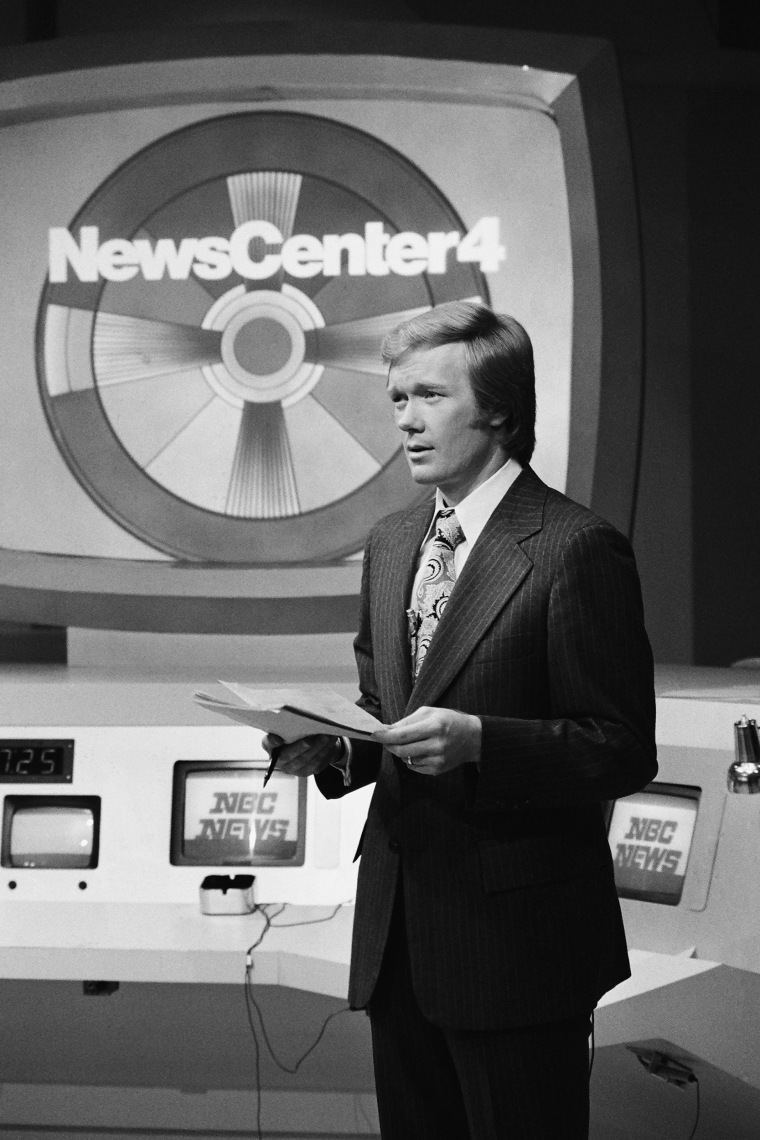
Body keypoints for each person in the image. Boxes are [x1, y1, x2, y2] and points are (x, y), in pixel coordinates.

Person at [265, 301, 657, 1139]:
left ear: (500, 410)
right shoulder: (396, 538)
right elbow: (388, 711)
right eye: (397, 398)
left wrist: (483, 744)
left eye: (429, 397)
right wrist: (333, 747)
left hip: (517, 944)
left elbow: (621, 748)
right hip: (399, 931)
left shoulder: (572, 547)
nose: (405, 420)